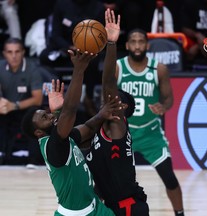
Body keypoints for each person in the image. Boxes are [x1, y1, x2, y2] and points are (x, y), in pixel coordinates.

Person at [21, 48, 120, 215]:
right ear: (38, 133)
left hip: (95, 206)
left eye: (48, 113)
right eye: (45, 117)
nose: (50, 116)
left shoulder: (63, 138)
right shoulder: (54, 147)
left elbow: (88, 129)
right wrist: (79, 70)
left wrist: (102, 114)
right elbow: (71, 111)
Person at [85, 9, 149, 216]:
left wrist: (111, 44)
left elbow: (109, 83)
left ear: (122, 109)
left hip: (128, 208)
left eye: (114, 98)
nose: (109, 98)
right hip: (113, 206)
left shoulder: (116, 125)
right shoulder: (101, 128)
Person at [116, 28, 185, 216]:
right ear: (127, 45)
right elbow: (106, 98)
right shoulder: (118, 67)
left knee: (170, 179)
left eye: (141, 42)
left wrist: (163, 106)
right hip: (123, 134)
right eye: (133, 41)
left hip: (151, 133)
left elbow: (168, 98)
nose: (137, 45)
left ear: (147, 45)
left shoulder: (159, 69)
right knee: (109, 181)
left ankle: (180, 213)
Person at [39, 0, 106, 117]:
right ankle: (51, 97)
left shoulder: (98, 7)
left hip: (88, 49)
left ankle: (88, 98)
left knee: (94, 60)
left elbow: (101, 37)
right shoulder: (61, 4)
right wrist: (69, 47)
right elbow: (55, 35)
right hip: (65, 48)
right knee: (44, 57)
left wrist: (85, 46)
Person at [0, 37, 43, 166]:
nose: (14, 56)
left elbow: (38, 99)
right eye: (10, 52)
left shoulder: (33, 69)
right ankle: (2, 153)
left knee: (35, 116)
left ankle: (33, 160)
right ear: (4, 54)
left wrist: (14, 105)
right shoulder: (0, 67)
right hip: (5, 108)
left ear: (23, 52)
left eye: (17, 51)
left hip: (25, 109)